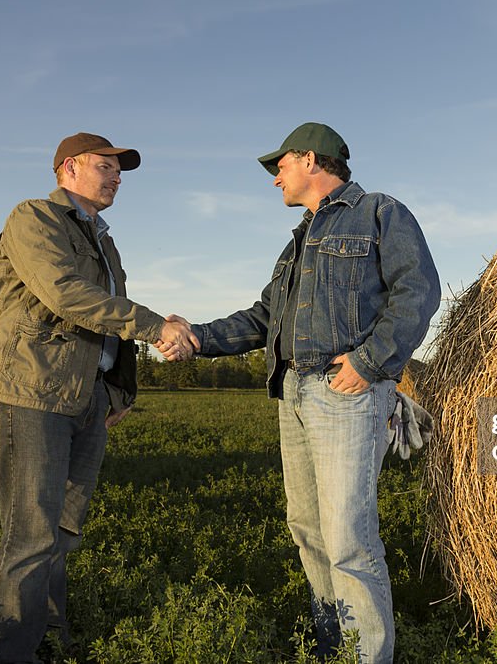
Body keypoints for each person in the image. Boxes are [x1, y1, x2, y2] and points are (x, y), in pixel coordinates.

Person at [158, 122, 440, 662]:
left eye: (280, 166)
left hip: (345, 393)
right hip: (292, 392)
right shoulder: (297, 244)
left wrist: (368, 362)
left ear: (310, 160)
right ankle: (336, 648)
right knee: (308, 530)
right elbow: (265, 318)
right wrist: (197, 337)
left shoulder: (380, 212)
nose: (275, 179)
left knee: (348, 539)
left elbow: (417, 291)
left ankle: (368, 657)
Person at [0, 132, 200, 663]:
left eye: (119, 169)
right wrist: (156, 326)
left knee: (63, 528)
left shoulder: (103, 239)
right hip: (34, 394)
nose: (116, 176)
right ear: (68, 169)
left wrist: (118, 388)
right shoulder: (34, 218)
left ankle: (49, 636)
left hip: (88, 399)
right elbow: (68, 296)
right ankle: (12, 651)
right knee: (30, 533)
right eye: (105, 166)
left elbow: (108, 317)